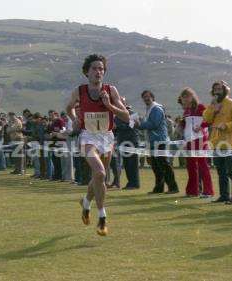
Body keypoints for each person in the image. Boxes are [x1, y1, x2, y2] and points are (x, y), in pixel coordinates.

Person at [65, 54, 129, 236]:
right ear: (87, 72)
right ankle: (102, 217)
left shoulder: (111, 90)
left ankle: (86, 203)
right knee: (100, 173)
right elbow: (68, 107)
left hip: (107, 137)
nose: (98, 72)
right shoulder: (80, 91)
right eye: (94, 68)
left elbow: (125, 116)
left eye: (101, 69)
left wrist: (109, 105)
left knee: (98, 177)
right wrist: (75, 119)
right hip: (88, 137)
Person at [203, 81, 232, 205]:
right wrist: (213, 110)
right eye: (215, 89)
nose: (217, 91)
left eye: (220, 89)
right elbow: (207, 119)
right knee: (220, 171)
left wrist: (226, 125)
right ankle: (224, 195)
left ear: (225, 90)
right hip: (216, 143)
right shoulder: (213, 104)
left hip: (229, 143)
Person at [136, 90, 179, 194]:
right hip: (153, 141)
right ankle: (159, 188)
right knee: (156, 165)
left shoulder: (156, 109)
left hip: (160, 140)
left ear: (152, 97)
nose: (146, 99)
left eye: (148, 96)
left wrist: (140, 125)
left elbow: (154, 124)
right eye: (144, 97)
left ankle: (173, 187)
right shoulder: (150, 109)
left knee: (163, 164)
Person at [178, 87, 214, 198]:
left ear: (192, 97)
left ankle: (208, 191)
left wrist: (201, 127)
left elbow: (209, 120)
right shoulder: (186, 111)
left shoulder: (201, 107)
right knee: (190, 166)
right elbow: (185, 125)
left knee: (202, 164)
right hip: (189, 140)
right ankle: (192, 191)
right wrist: (181, 126)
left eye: (187, 97)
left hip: (200, 139)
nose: (185, 100)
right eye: (183, 98)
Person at [115, 97, 140, 189]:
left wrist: (119, 126)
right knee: (126, 164)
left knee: (132, 163)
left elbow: (131, 126)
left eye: (122, 102)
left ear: (125, 103)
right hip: (122, 142)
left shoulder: (132, 113)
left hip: (131, 141)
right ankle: (130, 183)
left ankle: (135, 183)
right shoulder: (117, 115)